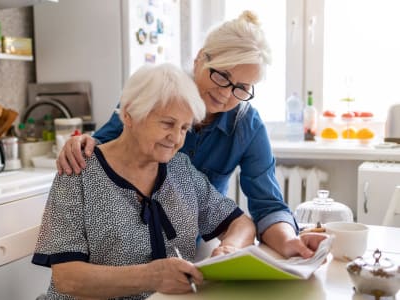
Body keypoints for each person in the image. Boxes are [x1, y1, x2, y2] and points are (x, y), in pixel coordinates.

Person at [56, 11, 326, 259]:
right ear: (200, 59)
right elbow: (103, 147)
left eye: (241, 87)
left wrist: (290, 242)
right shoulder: (157, 93)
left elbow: (267, 206)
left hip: (187, 248)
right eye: (222, 75)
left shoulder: (247, 126)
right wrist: (81, 143)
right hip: (121, 247)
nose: (225, 94)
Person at [32, 63, 256, 299]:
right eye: (167, 124)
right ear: (129, 115)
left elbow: (241, 224)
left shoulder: (181, 169)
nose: (176, 138)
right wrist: (152, 276)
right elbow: (67, 278)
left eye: (184, 128)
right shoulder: (78, 170)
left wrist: (229, 250)